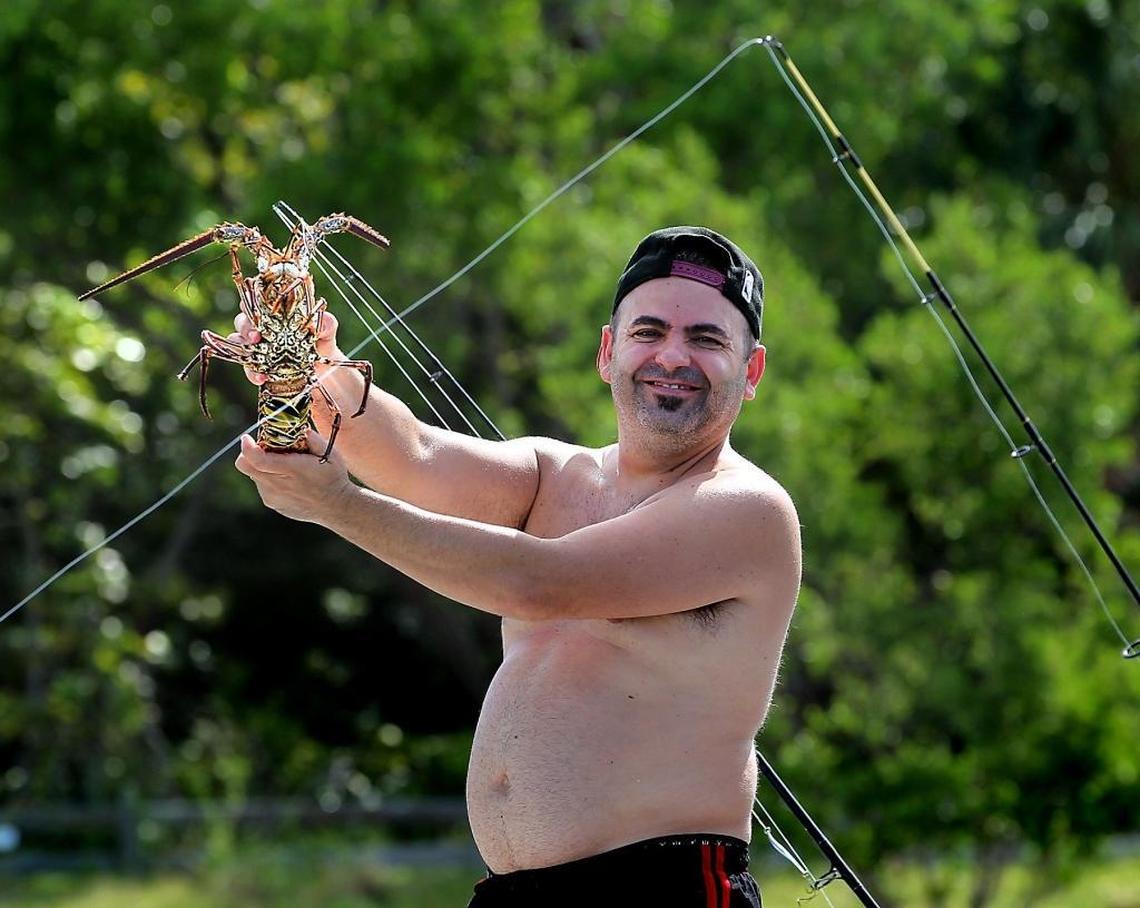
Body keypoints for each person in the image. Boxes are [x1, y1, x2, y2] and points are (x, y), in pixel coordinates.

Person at [234, 226, 800, 907]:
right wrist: (313, 364)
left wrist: (337, 507)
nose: (672, 356)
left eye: (706, 339)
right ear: (608, 351)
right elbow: (413, 454)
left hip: (664, 889)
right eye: (649, 331)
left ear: (752, 371)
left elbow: (540, 583)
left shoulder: (747, 510)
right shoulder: (553, 474)